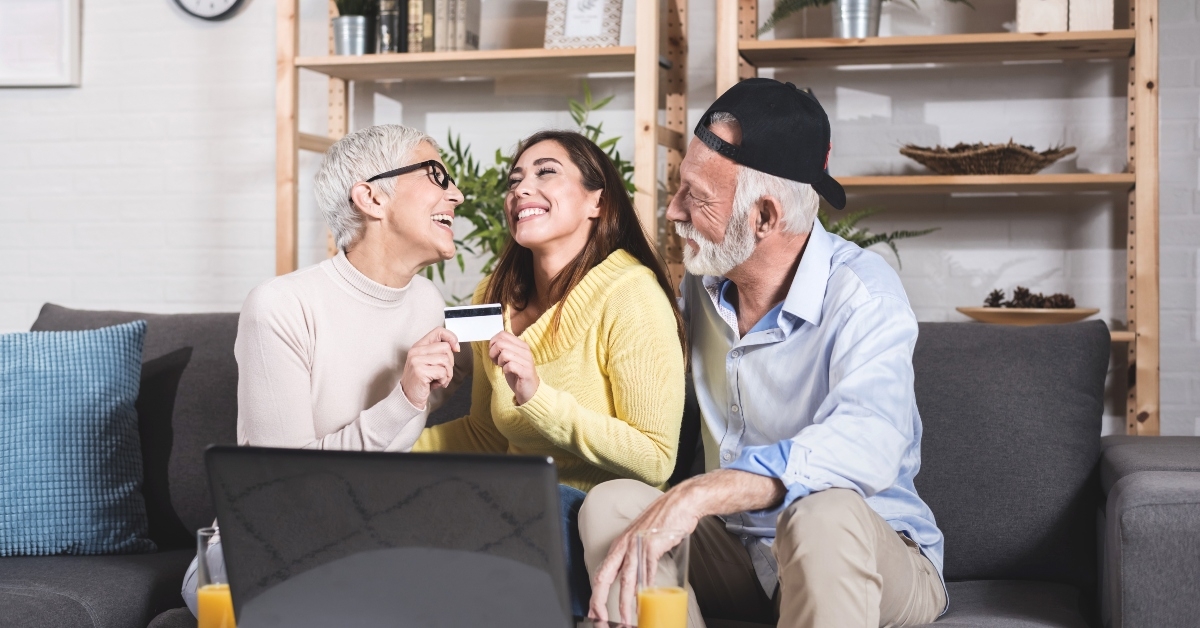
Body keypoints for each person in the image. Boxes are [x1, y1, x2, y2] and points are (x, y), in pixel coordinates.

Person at [581, 79, 946, 628]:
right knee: (612, 507)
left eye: (697, 197)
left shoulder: (864, 294)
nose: (674, 212)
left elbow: (869, 441)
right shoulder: (698, 290)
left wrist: (708, 491)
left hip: (862, 557)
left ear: (765, 217)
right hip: (737, 555)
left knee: (823, 513)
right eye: (679, 188)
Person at [182, 124, 469, 614]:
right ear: (371, 198)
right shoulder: (281, 305)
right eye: (435, 176)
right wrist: (404, 398)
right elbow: (288, 488)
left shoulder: (426, 303)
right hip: (265, 540)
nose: (457, 194)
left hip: (371, 535)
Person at [413, 130, 687, 616]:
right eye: (515, 179)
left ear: (597, 202)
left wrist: (538, 398)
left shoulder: (629, 293)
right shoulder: (492, 294)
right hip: (509, 506)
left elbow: (656, 458)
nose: (521, 189)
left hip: (594, 518)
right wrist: (382, 446)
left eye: (546, 173)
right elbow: (485, 435)